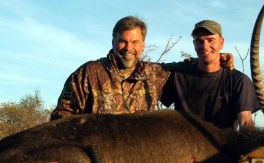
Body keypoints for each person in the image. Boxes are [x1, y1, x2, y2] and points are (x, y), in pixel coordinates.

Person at [50, 16, 234, 120]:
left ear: (143, 45)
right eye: (122, 42)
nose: (129, 48)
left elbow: (186, 66)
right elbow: (61, 120)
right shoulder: (88, 73)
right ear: (113, 42)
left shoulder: (153, 73)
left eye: (135, 42)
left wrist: (217, 58)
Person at [160, 20, 260, 130]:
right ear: (194, 44)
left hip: (221, 145)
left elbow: (245, 121)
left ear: (221, 43)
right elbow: (145, 70)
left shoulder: (239, 80)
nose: (205, 46)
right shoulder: (178, 75)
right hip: (184, 145)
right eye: (199, 41)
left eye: (210, 40)